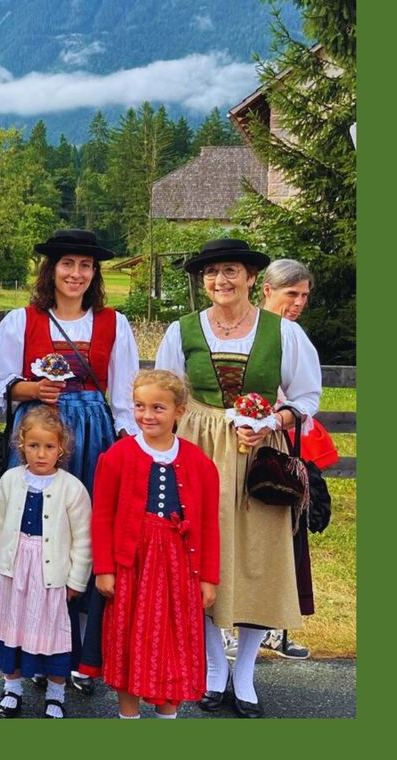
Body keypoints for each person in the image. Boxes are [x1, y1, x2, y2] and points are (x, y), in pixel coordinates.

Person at [155, 239, 321, 718]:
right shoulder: (181, 330)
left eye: (230, 271)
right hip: (197, 449)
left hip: (258, 454)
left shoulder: (283, 333)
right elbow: (165, 392)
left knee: (255, 559)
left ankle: (244, 672)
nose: (220, 281)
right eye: (211, 273)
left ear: (252, 278)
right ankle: (212, 667)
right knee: (200, 556)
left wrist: (270, 422)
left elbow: (306, 398)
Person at [0, 227, 139, 693]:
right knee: (33, 535)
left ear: (94, 274)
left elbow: (125, 396)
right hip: (39, 435)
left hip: (93, 436)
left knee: (83, 534)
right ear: (51, 270)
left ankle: (80, 654)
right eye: (67, 264)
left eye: (85, 266)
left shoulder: (114, 324)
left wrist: (127, 446)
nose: (76, 273)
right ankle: (28, 646)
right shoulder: (22, 320)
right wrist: (34, 390)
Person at [93, 370, 220, 719]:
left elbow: (209, 524)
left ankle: (167, 719)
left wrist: (209, 577)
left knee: (173, 642)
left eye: (158, 408)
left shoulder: (200, 464)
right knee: (127, 639)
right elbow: (102, 516)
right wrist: (104, 569)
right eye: (139, 406)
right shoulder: (117, 456)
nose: (147, 415)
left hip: (180, 566)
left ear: (180, 411)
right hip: (131, 563)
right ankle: (128, 719)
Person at [0, 406, 92, 719]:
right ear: (22, 445)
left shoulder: (72, 489)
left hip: (51, 576)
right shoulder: (11, 481)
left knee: (54, 634)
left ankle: (56, 694)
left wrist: (76, 580)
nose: (41, 454)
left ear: (61, 449)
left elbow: (83, 539)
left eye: (49, 447)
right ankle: (12, 689)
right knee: (12, 629)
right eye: (33, 446)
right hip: (15, 571)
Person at [258, 257, 333, 660]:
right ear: (267, 290)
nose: (299, 302)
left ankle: (273, 625)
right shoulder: (252, 330)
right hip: (247, 437)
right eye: (292, 293)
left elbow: (307, 394)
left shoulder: (294, 335)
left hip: (285, 443)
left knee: (284, 534)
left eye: (304, 295)